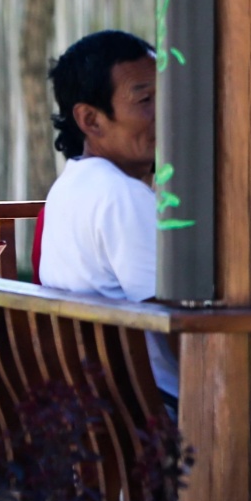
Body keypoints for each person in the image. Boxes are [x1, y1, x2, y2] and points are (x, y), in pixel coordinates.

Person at [37, 31, 180, 403]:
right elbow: (179, 333)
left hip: (102, 411)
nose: (166, 111)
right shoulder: (122, 196)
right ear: (91, 119)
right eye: (146, 100)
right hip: (156, 412)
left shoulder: (70, 186)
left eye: (166, 94)